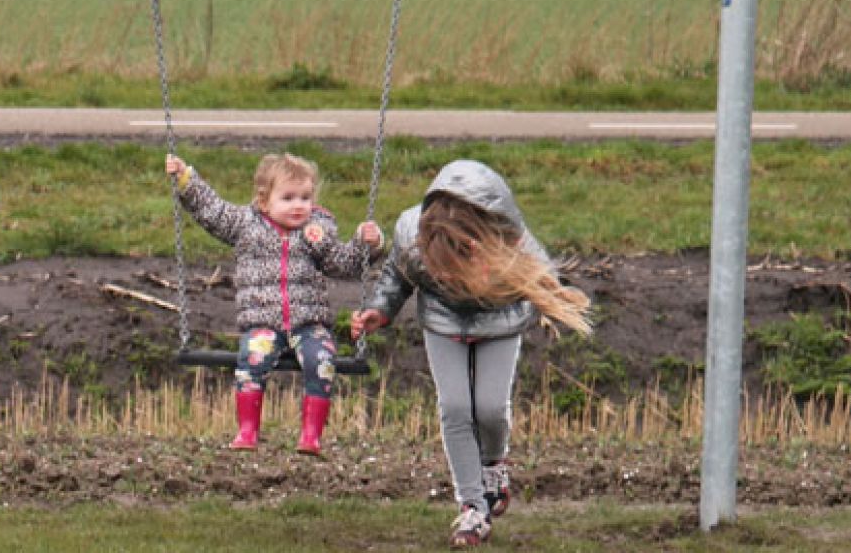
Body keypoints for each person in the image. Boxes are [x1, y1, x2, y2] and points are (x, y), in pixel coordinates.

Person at [350, 160, 591, 548]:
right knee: (457, 408)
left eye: (455, 270)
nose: (446, 277)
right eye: (439, 271)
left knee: (491, 409)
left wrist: (555, 298)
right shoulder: (412, 232)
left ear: (480, 248)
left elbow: (546, 277)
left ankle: (494, 465)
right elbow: (397, 276)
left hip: (500, 321)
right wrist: (381, 310)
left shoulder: (510, 241)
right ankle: (472, 508)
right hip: (444, 324)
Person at [166, 152, 383, 455]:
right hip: (263, 322)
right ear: (265, 201)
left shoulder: (315, 233)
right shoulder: (245, 225)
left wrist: (365, 243)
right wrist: (186, 180)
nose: (299, 205)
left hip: (309, 322)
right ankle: (247, 432)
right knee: (252, 361)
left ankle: (311, 436)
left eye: (306, 197)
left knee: (322, 360)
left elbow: (343, 264)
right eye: (288, 197)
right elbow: (211, 211)